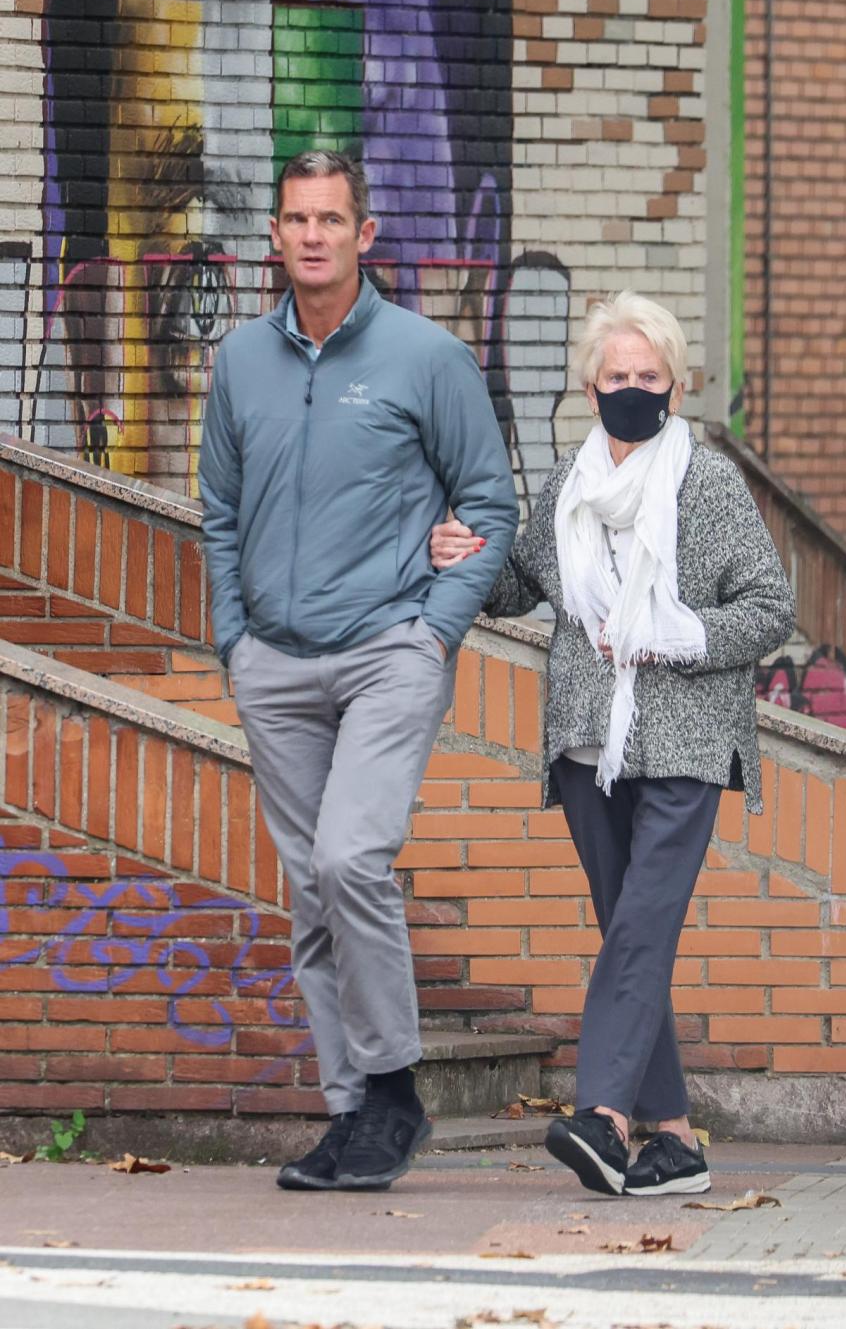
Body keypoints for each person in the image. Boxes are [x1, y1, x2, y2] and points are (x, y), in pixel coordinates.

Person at [198, 150, 518, 1192]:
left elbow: (493, 501)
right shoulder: (239, 361)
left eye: (332, 217)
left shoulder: (427, 356)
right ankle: (351, 1114)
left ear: (365, 234)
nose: (314, 235)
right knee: (309, 891)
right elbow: (218, 510)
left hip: (389, 650)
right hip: (274, 666)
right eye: (296, 218)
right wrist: (232, 637)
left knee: (349, 860)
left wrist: (436, 631)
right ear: (278, 237)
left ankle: (392, 1089)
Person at [431, 291, 794, 1197]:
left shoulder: (706, 484)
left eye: (649, 375)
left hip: (688, 745)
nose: (632, 389)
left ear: (675, 383)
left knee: (638, 926)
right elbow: (517, 584)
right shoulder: (568, 487)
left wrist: (675, 631)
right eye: (616, 375)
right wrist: (461, 554)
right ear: (589, 384)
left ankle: (604, 1115)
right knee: (632, 933)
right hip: (589, 743)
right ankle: (674, 1141)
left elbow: (771, 608)